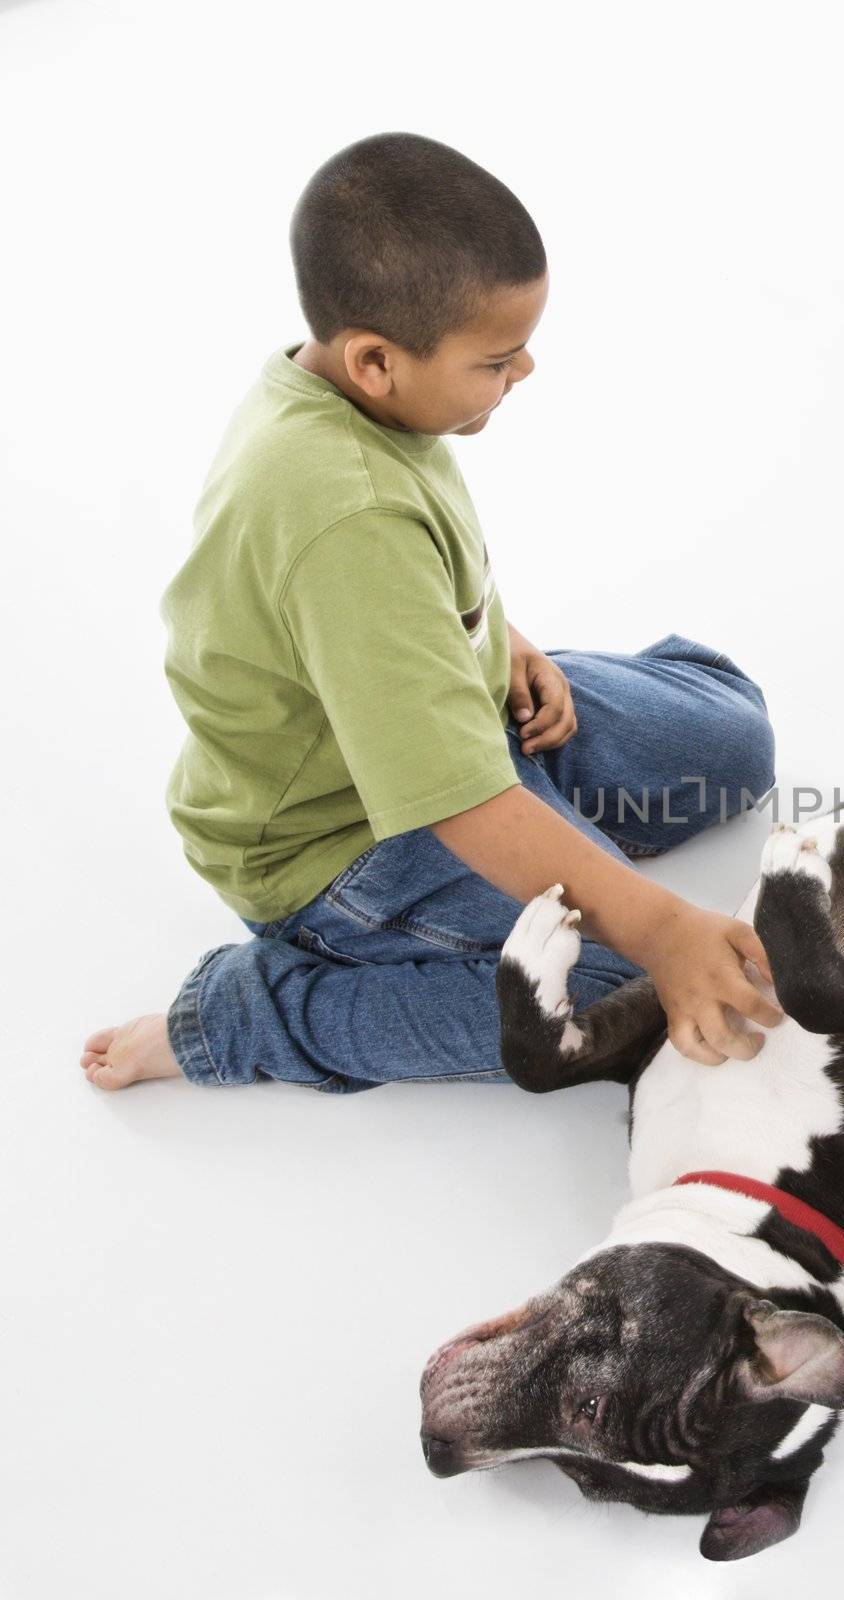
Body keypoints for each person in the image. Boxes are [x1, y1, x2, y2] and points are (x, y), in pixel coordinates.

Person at [80, 131, 782, 1094]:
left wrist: (500, 644)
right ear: (375, 361)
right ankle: (251, 1015)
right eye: (499, 359)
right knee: (625, 994)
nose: (524, 372)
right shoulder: (344, 511)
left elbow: (401, 597)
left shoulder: (355, 397)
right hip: (346, 842)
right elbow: (457, 797)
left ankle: (565, 839)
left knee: (735, 742)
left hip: (453, 727)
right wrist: (660, 925)